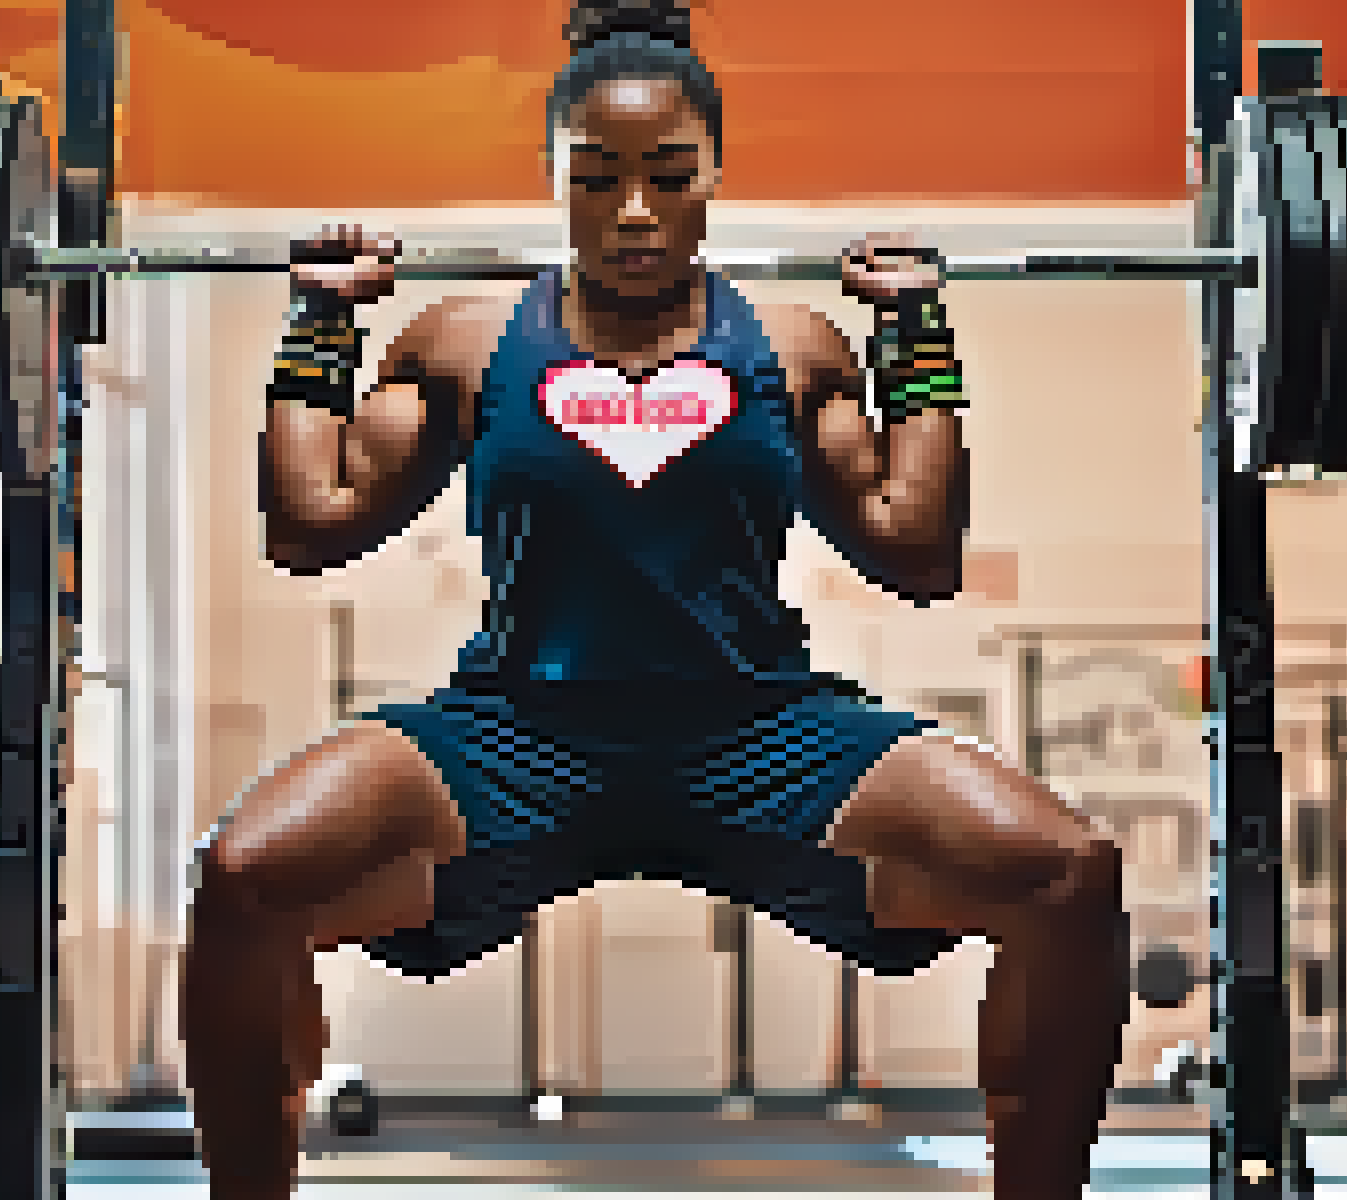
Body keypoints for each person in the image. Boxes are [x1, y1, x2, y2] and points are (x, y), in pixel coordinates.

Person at [181, 3, 1128, 1197]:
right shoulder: (468, 342)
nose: (636, 213)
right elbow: (311, 523)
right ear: (554, 177)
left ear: (714, 176)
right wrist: (319, 323)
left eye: (671, 178)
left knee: (1068, 876)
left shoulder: (789, 346)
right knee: (243, 878)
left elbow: (916, 548)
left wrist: (914, 334)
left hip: (760, 731)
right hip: (516, 733)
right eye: (600, 179)